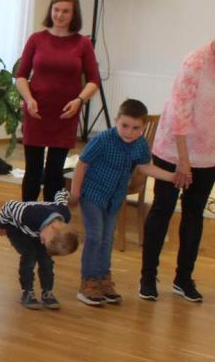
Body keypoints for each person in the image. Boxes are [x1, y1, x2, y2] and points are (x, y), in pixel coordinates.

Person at [141, 19, 215, 303]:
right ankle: (147, 277)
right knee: (162, 209)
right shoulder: (194, 62)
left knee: (194, 214)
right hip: (173, 148)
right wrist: (183, 160)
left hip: (209, 151)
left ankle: (183, 279)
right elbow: (180, 112)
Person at [67, 98, 177, 306]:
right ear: (116, 120)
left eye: (136, 128)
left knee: (108, 239)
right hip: (92, 194)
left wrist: (172, 176)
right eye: (125, 125)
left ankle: (103, 279)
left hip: (114, 199)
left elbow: (144, 166)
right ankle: (88, 282)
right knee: (95, 236)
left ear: (143, 127)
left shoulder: (140, 144)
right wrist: (75, 192)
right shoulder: (103, 140)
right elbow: (82, 164)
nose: (129, 132)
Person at [14, 0, 102, 202]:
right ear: (50, 10)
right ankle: (27, 214)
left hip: (65, 114)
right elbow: (21, 76)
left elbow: (94, 80)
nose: (59, 15)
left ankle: (51, 216)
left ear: (74, 14)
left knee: (55, 171)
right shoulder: (36, 39)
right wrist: (29, 99)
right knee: (33, 170)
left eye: (65, 11)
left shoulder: (83, 43)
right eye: (56, 9)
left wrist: (79, 100)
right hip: (36, 112)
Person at [0, 189, 78, 310]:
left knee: (46, 259)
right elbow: (8, 206)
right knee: (29, 256)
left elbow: (60, 199)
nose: (42, 242)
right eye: (45, 241)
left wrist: (65, 193)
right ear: (53, 227)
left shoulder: (64, 215)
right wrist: (2, 225)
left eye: (45, 242)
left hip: (37, 231)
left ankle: (47, 292)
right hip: (18, 230)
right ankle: (27, 292)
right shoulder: (29, 214)